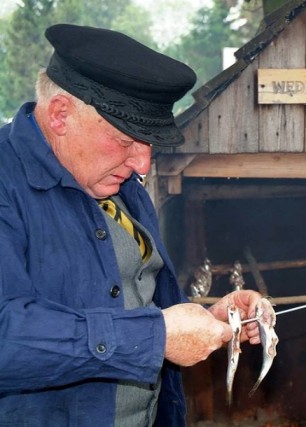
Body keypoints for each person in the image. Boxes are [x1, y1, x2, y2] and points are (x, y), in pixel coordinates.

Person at [0, 24, 262, 425]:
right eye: (125, 142)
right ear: (60, 116)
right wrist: (155, 336)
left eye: (149, 146)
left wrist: (205, 321)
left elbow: (134, 303)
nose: (142, 165)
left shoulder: (122, 185)